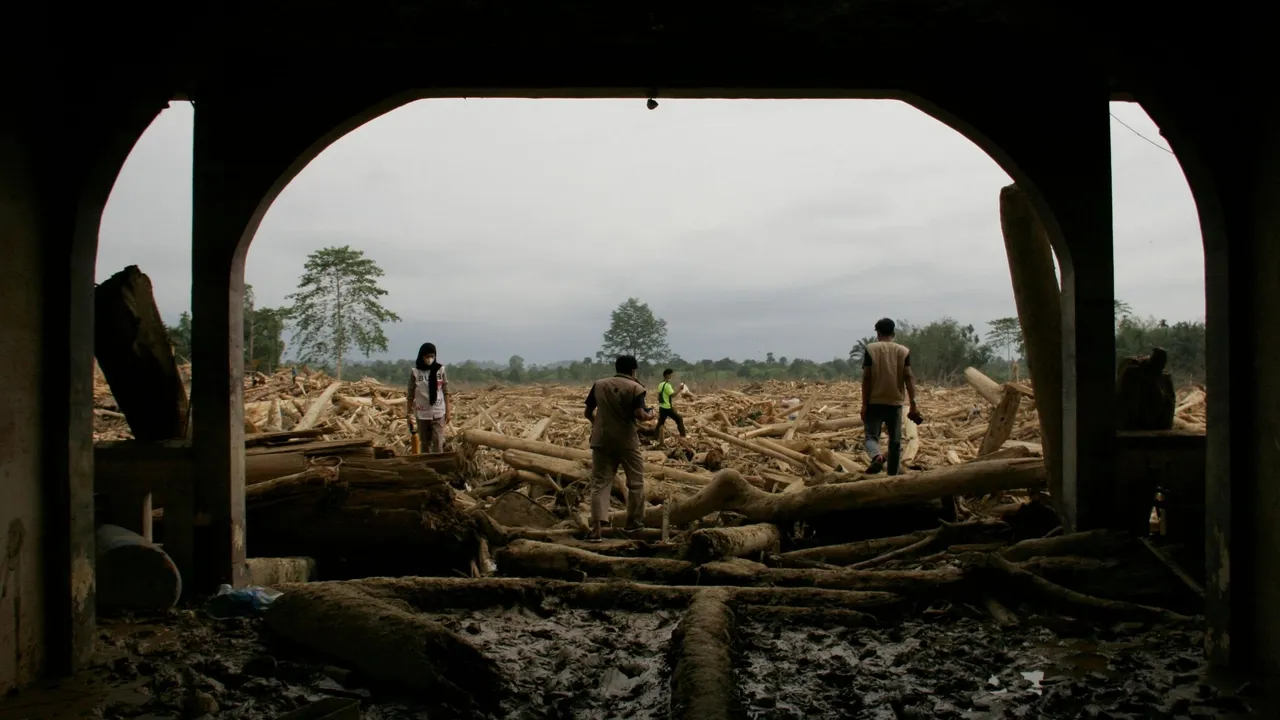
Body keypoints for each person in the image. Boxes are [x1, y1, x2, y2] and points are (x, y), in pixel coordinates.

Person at [583, 355, 654, 541]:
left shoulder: (599, 384)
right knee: (636, 483)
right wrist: (651, 415)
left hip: (601, 440)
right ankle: (633, 523)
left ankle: (597, 530)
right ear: (633, 370)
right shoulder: (636, 388)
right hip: (627, 441)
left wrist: (596, 424)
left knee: (600, 483)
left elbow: (587, 412)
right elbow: (640, 415)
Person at [860, 318, 919, 475]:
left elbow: (866, 377)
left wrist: (864, 404)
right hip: (895, 402)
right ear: (893, 333)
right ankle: (892, 477)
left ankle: (877, 456)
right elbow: (909, 377)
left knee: (871, 437)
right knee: (895, 441)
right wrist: (913, 403)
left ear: (878, 333)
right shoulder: (903, 351)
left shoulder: (871, 349)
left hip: (874, 401)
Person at [407, 342, 450, 453]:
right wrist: (408, 413)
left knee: (438, 441)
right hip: (422, 413)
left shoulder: (440, 370)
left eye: (432, 356)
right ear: (422, 356)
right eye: (427, 357)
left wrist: (448, 411)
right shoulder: (415, 372)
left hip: (438, 411)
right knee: (424, 442)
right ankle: (426, 465)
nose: (430, 359)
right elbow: (410, 395)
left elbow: (445, 391)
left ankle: (439, 466)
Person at [655, 369, 688, 438]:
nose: (671, 376)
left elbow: (659, 396)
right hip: (667, 407)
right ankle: (683, 435)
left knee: (660, 423)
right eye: (670, 374)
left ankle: (655, 436)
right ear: (667, 375)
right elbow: (673, 395)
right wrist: (680, 388)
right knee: (679, 419)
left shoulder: (660, 384)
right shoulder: (667, 385)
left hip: (661, 407)